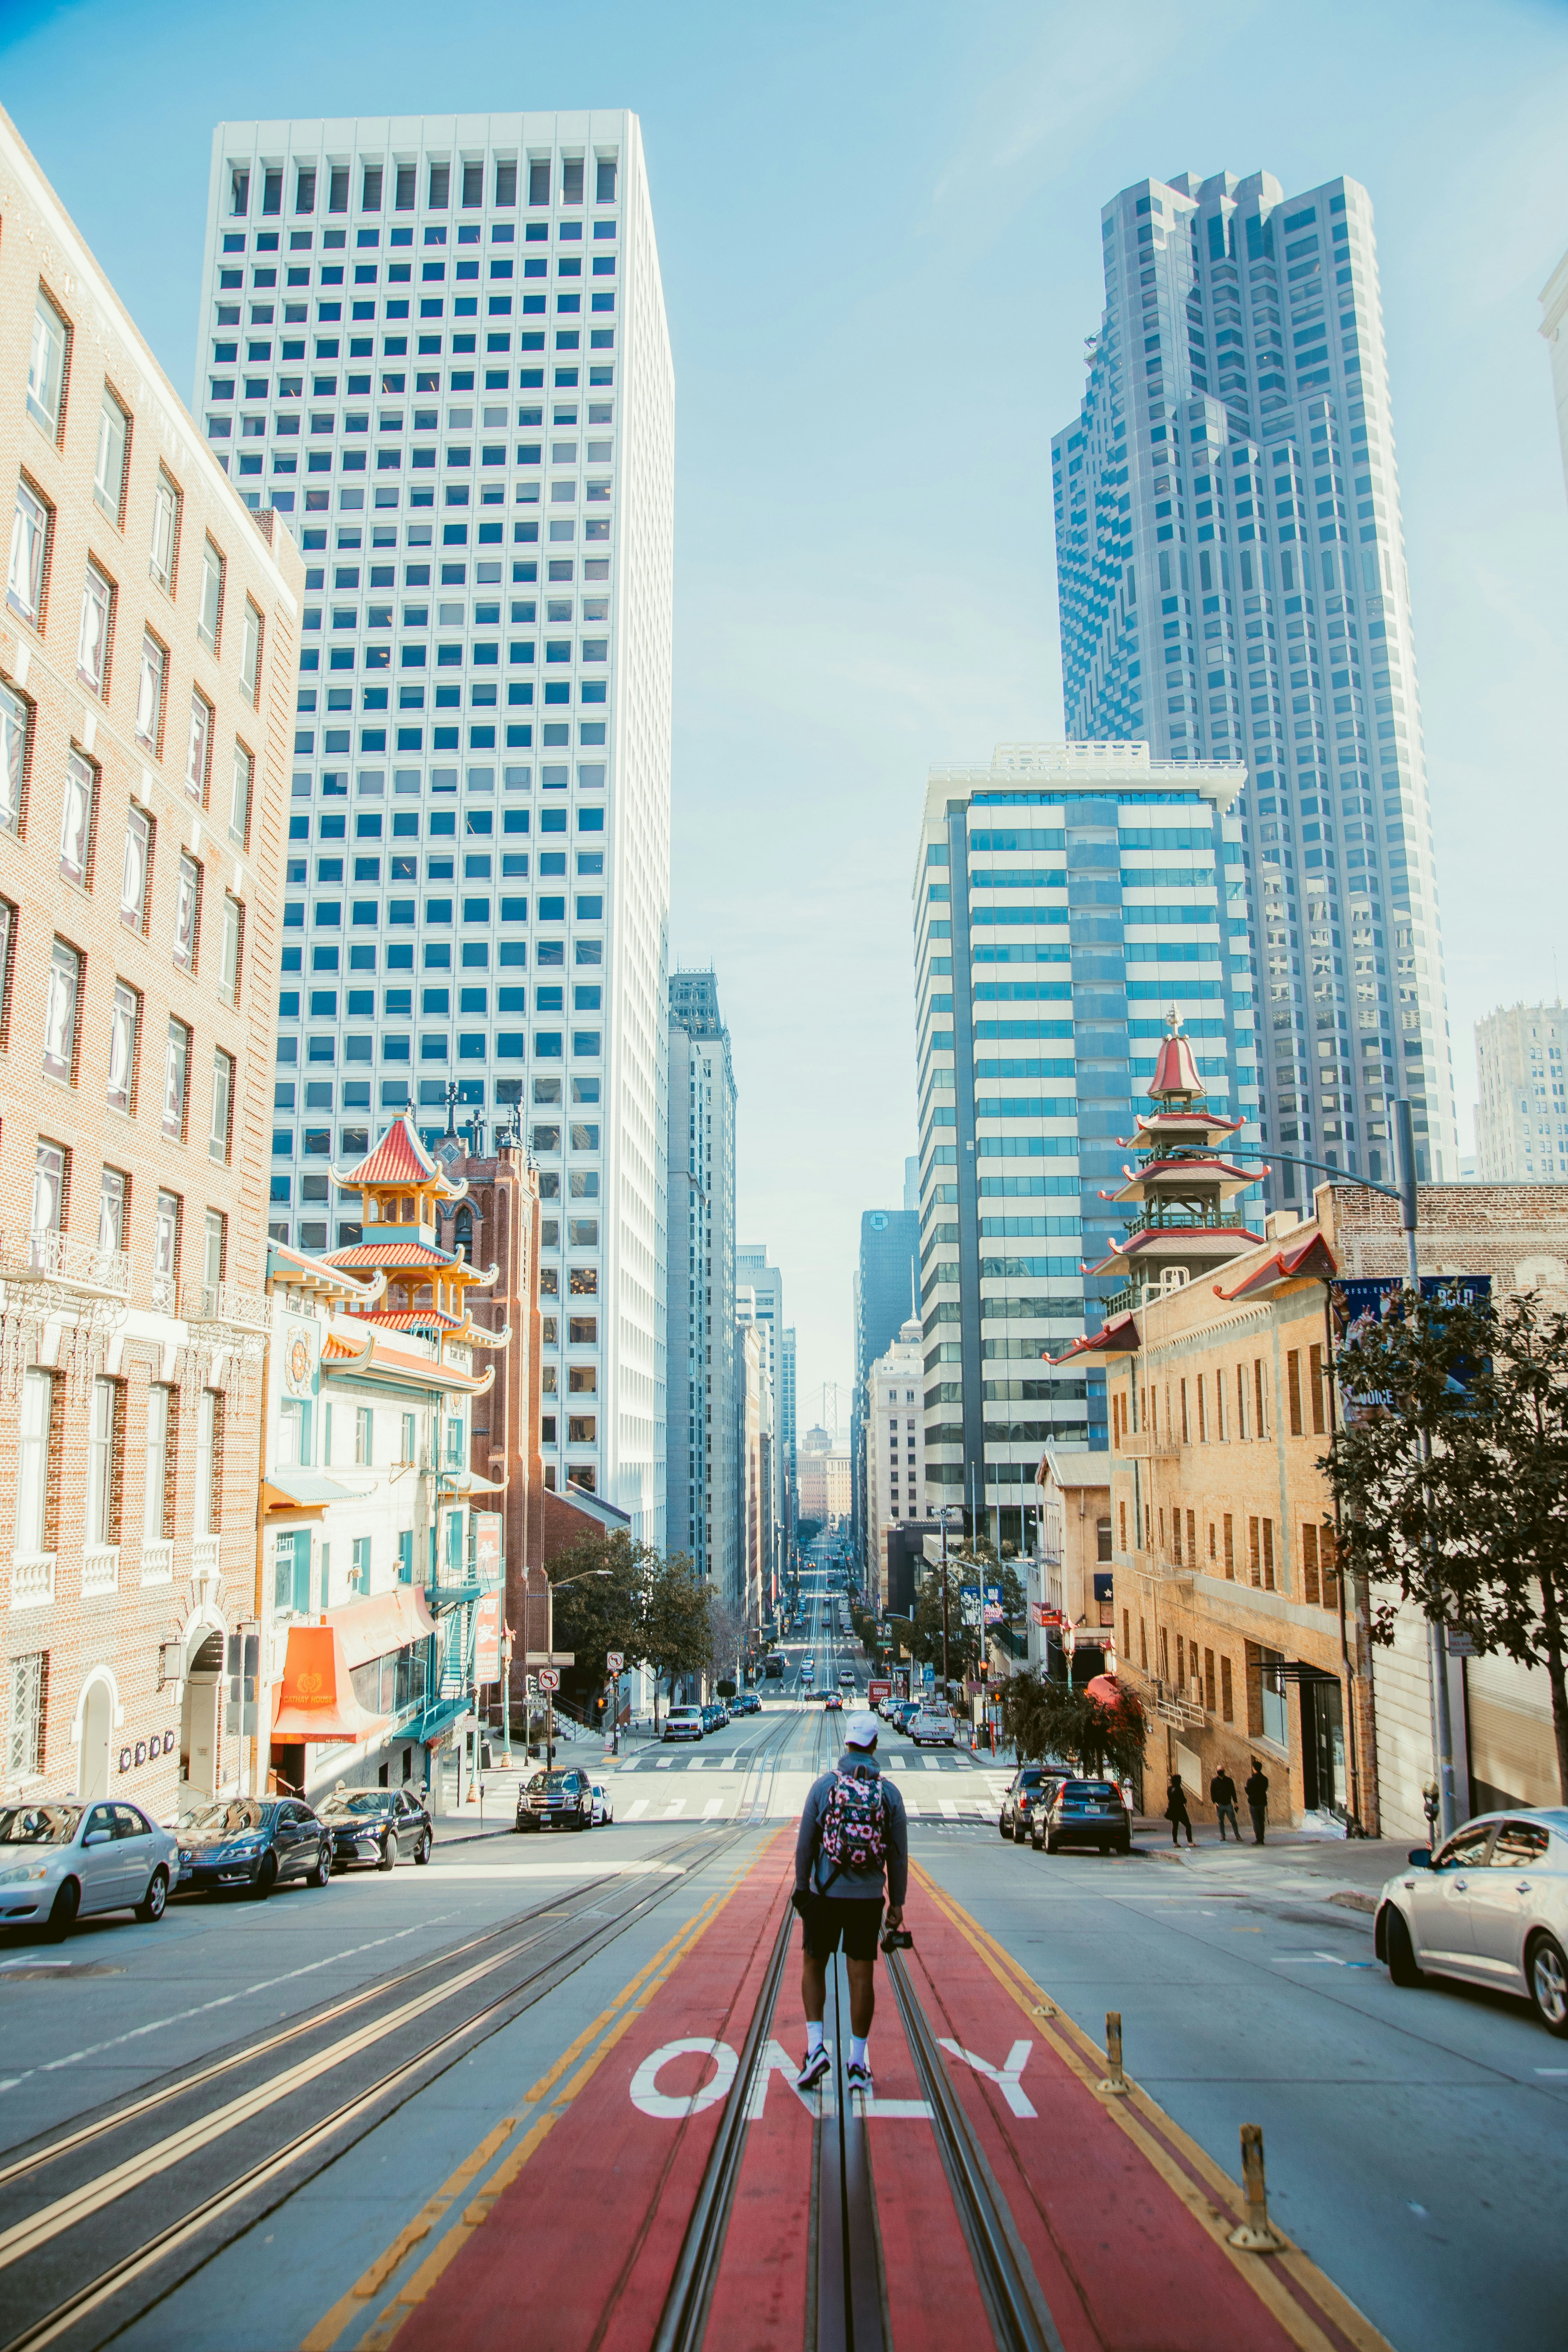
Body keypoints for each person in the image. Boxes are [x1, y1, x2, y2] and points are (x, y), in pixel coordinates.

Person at [794, 1710, 909, 2093]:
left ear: (847, 1743)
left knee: (813, 1965)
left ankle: (815, 2050)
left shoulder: (824, 1787)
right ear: (875, 1745)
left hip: (825, 1893)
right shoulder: (889, 1794)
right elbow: (898, 1856)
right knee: (862, 1978)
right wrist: (897, 1903)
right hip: (867, 1899)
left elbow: (805, 1843)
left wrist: (801, 1886)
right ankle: (857, 2063)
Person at [1210, 1766, 1241, 1842]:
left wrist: (1236, 1802)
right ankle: (1223, 1836)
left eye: (1221, 1770)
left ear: (1224, 1771)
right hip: (1219, 1804)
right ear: (1217, 1771)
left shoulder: (1229, 1780)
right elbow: (1212, 1793)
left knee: (1233, 1820)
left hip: (1228, 1804)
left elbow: (1233, 1791)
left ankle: (1238, 1836)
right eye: (1219, 1770)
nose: (1220, 1772)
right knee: (1221, 1821)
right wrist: (1214, 1803)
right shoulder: (1214, 1781)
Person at [1164, 1771, 1195, 1847]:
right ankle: (1190, 1842)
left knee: (1175, 1826)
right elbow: (1183, 1800)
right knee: (1188, 1825)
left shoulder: (1169, 1789)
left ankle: (1176, 1843)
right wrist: (1185, 1801)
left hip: (1172, 1810)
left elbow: (1170, 1798)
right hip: (1180, 1811)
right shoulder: (1179, 1789)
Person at [1244, 1760, 1270, 1845]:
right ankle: (1262, 1838)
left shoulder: (1251, 1780)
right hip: (1262, 1802)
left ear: (1254, 1769)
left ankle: (1258, 1839)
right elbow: (1266, 1789)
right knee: (1261, 1821)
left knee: (1256, 1821)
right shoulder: (1265, 1779)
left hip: (1254, 1802)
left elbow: (1247, 1791)